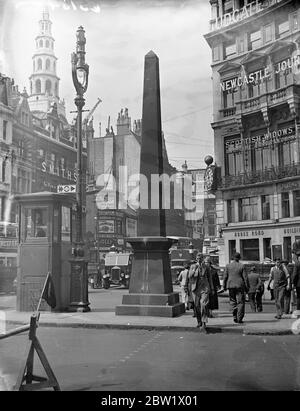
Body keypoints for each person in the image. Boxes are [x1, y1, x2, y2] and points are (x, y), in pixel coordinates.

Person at [185, 253, 214, 331]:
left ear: (203, 258)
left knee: (203, 304)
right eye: (197, 258)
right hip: (195, 288)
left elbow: (210, 278)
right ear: (196, 259)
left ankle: (204, 322)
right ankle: (199, 321)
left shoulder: (206, 267)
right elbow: (189, 276)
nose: (199, 260)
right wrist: (194, 269)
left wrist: (212, 288)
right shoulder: (192, 266)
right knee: (197, 306)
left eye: (200, 258)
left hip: (205, 288)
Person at [223, 252, 249, 324]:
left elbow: (225, 277)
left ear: (232, 258)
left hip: (230, 285)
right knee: (240, 302)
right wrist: (247, 287)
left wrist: (224, 286)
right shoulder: (242, 266)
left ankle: (234, 315)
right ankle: (239, 318)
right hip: (240, 285)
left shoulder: (228, 266)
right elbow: (245, 278)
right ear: (239, 258)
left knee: (232, 301)